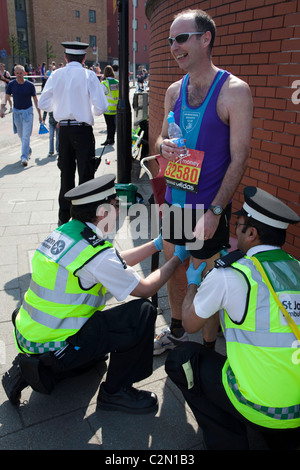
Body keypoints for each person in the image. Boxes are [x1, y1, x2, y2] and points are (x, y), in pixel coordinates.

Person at [2, 174, 190, 413]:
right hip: (58, 345)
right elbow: (145, 289)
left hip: (30, 332)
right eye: (116, 205)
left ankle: (43, 365)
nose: (119, 210)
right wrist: (175, 260)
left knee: (99, 345)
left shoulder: (68, 232)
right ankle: (115, 392)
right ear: (102, 212)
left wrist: (156, 245)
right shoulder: (95, 253)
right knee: (142, 312)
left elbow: (114, 262)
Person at [165, 186, 300, 450]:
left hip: (264, 407)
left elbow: (191, 323)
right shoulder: (296, 266)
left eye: (237, 226)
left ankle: (228, 439)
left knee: (181, 360)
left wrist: (194, 283)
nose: (233, 233)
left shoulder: (232, 274)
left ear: (251, 233)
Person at [154, 9, 253, 354]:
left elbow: (239, 158)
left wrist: (214, 210)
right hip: (175, 204)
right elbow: (159, 142)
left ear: (205, 38)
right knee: (176, 270)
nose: (174, 47)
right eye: (170, 41)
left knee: (208, 281)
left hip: (207, 209)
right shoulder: (172, 91)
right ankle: (178, 331)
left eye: (181, 38)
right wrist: (162, 146)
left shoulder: (234, 91)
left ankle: (209, 351)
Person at [38, 41, 108, 226]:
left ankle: (63, 219)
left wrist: (60, 107)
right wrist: (86, 109)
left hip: (65, 131)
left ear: (66, 58)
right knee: (86, 175)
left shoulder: (56, 74)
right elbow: (101, 107)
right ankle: (85, 219)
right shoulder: (89, 75)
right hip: (83, 130)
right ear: (84, 58)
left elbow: (43, 103)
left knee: (66, 175)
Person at [0, 64, 42, 167]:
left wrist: (39, 114)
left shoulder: (30, 85)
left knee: (26, 135)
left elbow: (35, 100)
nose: (19, 75)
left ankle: (24, 157)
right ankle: (28, 149)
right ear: (14, 73)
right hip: (17, 113)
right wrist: (1, 109)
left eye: (21, 73)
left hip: (28, 112)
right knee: (21, 135)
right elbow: (6, 97)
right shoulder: (11, 84)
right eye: (17, 73)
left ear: (24, 73)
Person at [101, 65, 119, 146]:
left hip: (108, 108)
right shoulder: (117, 82)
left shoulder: (104, 83)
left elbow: (101, 94)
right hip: (116, 107)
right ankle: (112, 139)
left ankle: (109, 139)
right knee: (113, 124)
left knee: (109, 125)